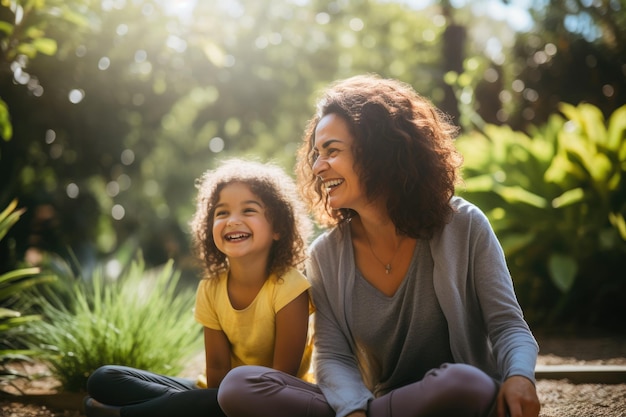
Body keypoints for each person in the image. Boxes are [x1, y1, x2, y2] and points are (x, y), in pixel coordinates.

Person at [217, 74, 541, 417]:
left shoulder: (463, 225)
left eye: (331, 151)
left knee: (465, 383)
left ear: (379, 151)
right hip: (382, 405)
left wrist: (520, 377)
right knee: (240, 385)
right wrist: (355, 410)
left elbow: (507, 325)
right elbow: (334, 356)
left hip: (453, 396)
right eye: (315, 154)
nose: (317, 166)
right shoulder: (326, 255)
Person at [83, 158, 314, 417]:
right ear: (209, 227)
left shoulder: (289, 286)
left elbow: (279, 381)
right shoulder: (211, 288)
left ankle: (122, 415)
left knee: (230, 397)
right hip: (216, 395)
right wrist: (204, 403)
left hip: (270, 398)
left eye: (248, 210)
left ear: (278, 228)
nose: (232, 220)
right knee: (103, 379)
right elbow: (215, 371)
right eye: (222, 212)